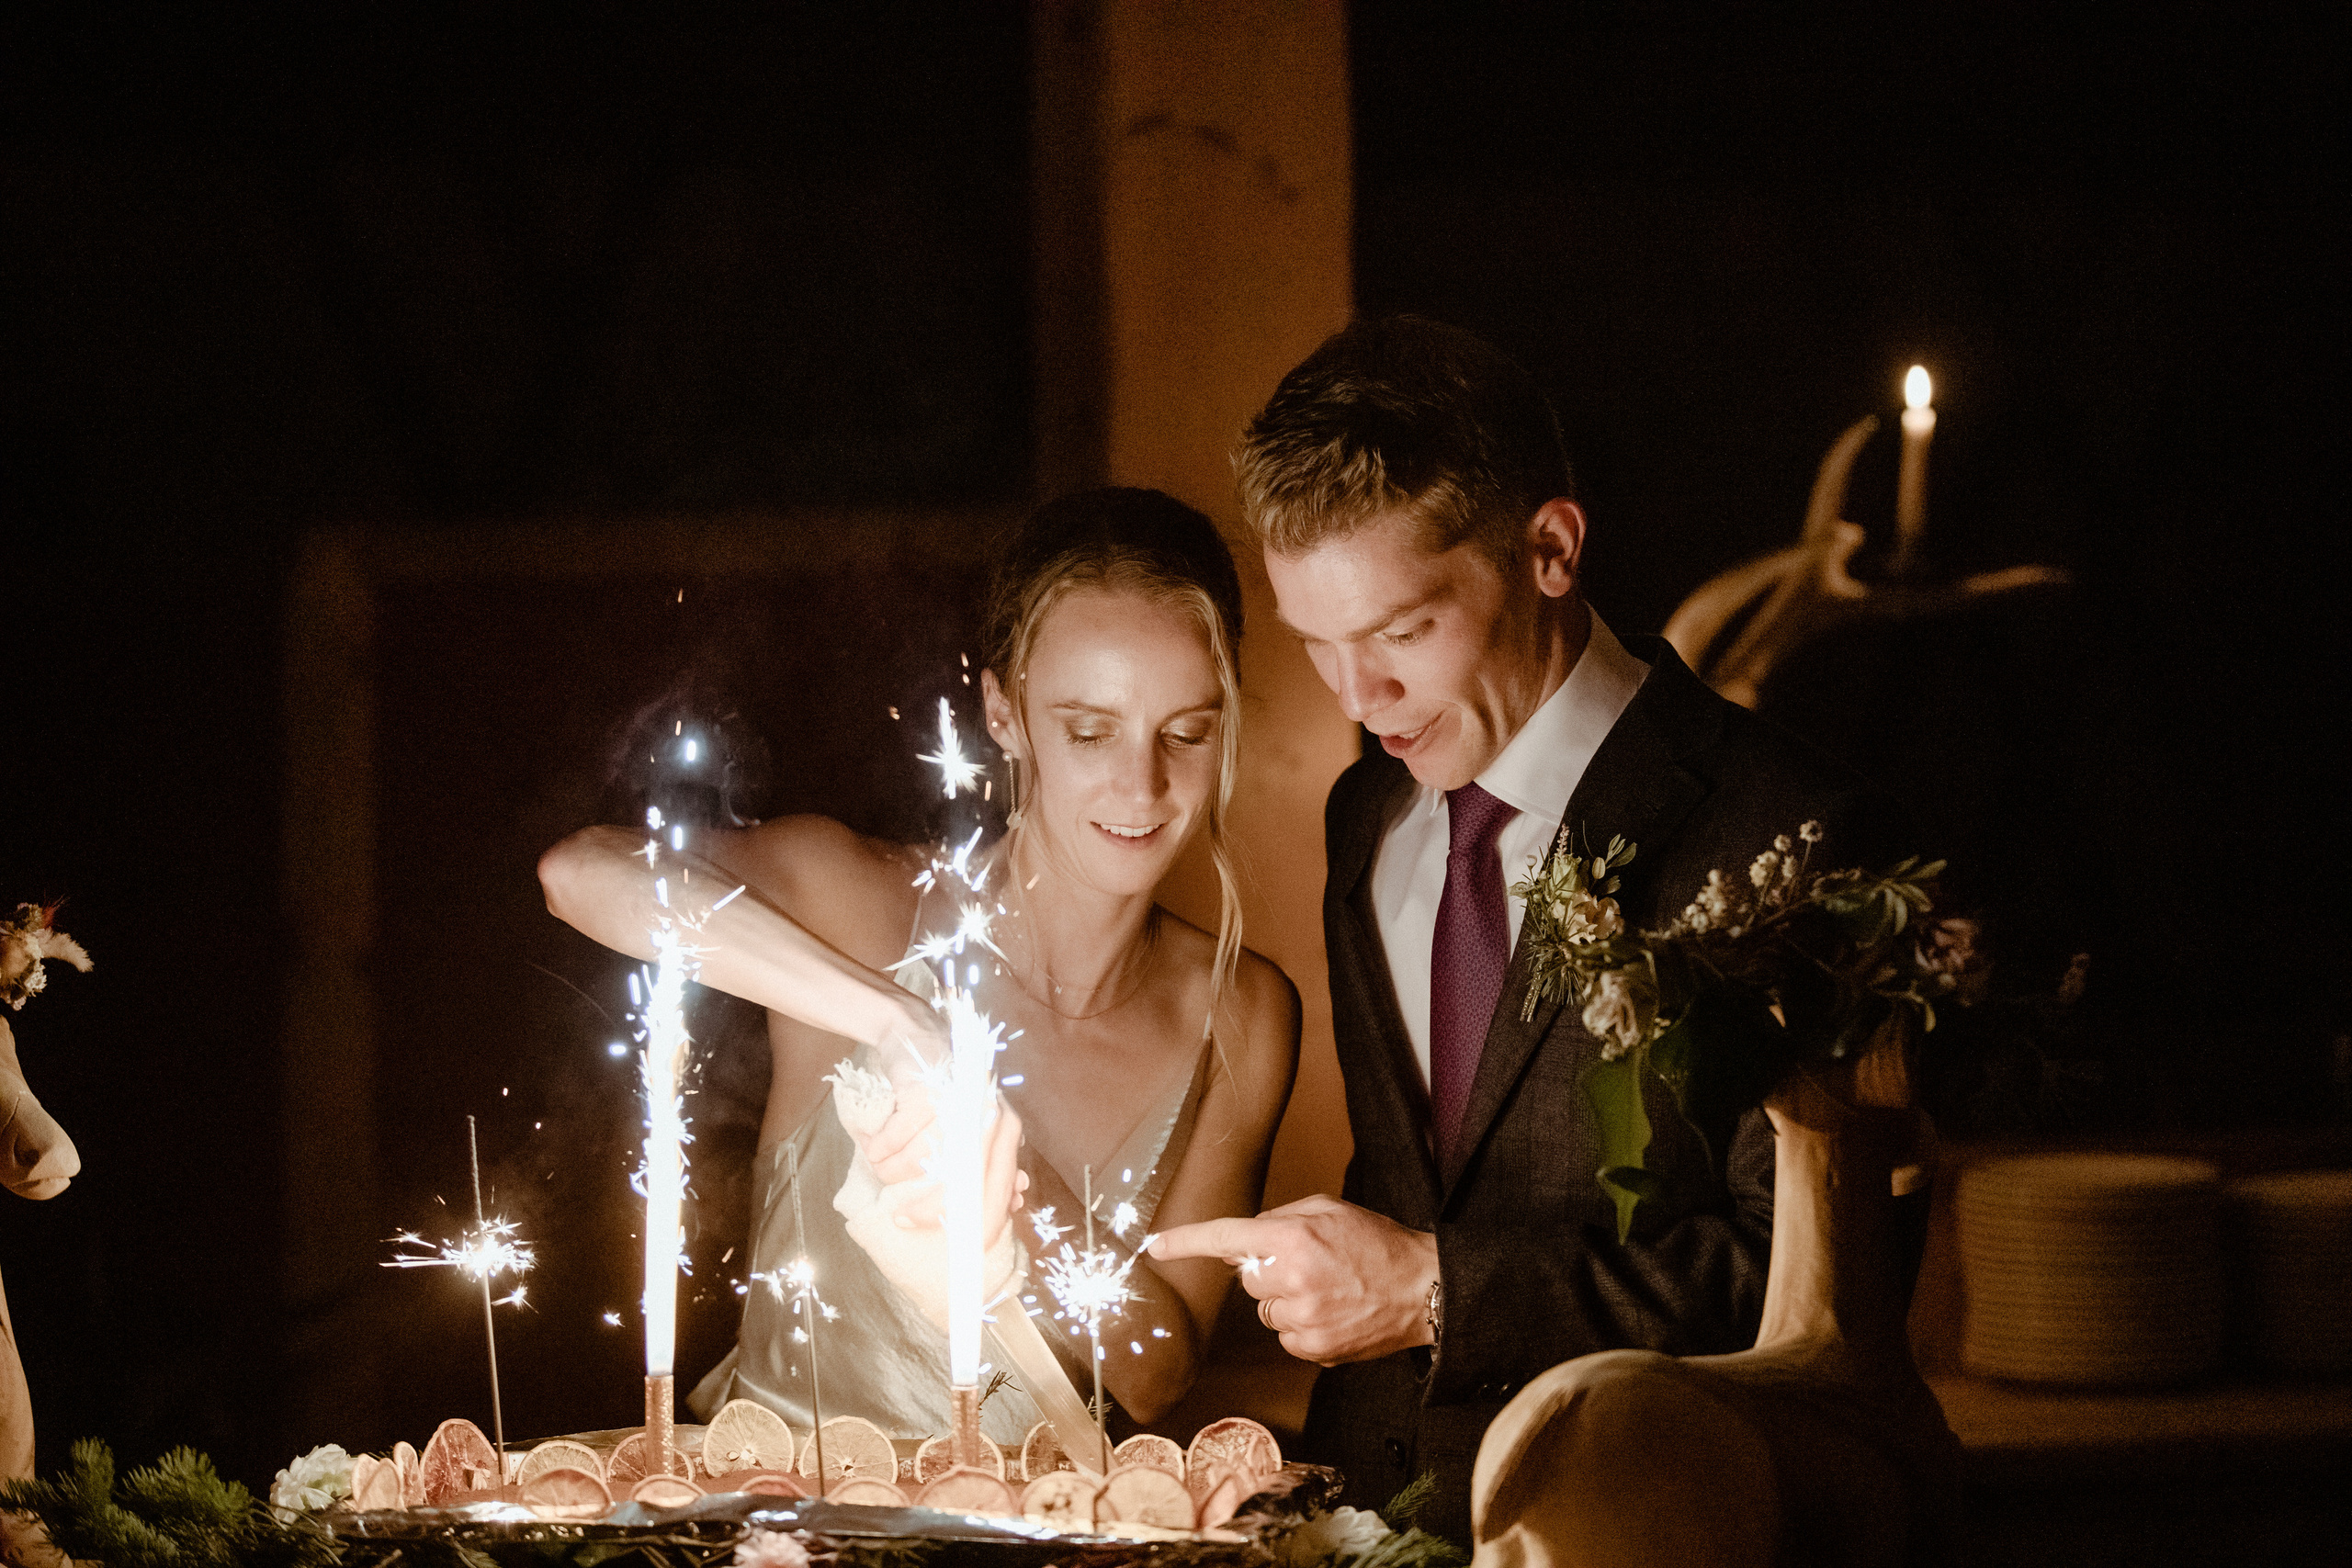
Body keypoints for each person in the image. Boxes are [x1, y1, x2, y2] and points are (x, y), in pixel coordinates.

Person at [1150, 318, 1911, 1542]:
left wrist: (1431, 1289)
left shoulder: (1792, 833)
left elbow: (1813, 1300)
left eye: (1401, 631)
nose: (1359, 697)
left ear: (1551, 548)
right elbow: (1421, 1173)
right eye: (1316, 643)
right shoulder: (1367, 814)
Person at [541, 488, 1300, 1449]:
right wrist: (899, 1023)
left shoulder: (1238, 1009)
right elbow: (582, 875)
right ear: (1003, 713)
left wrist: (1001, 1168)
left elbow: (1155, 1373)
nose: (1142, 786)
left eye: (1185, 733)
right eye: (1088, 730)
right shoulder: (863, 904)